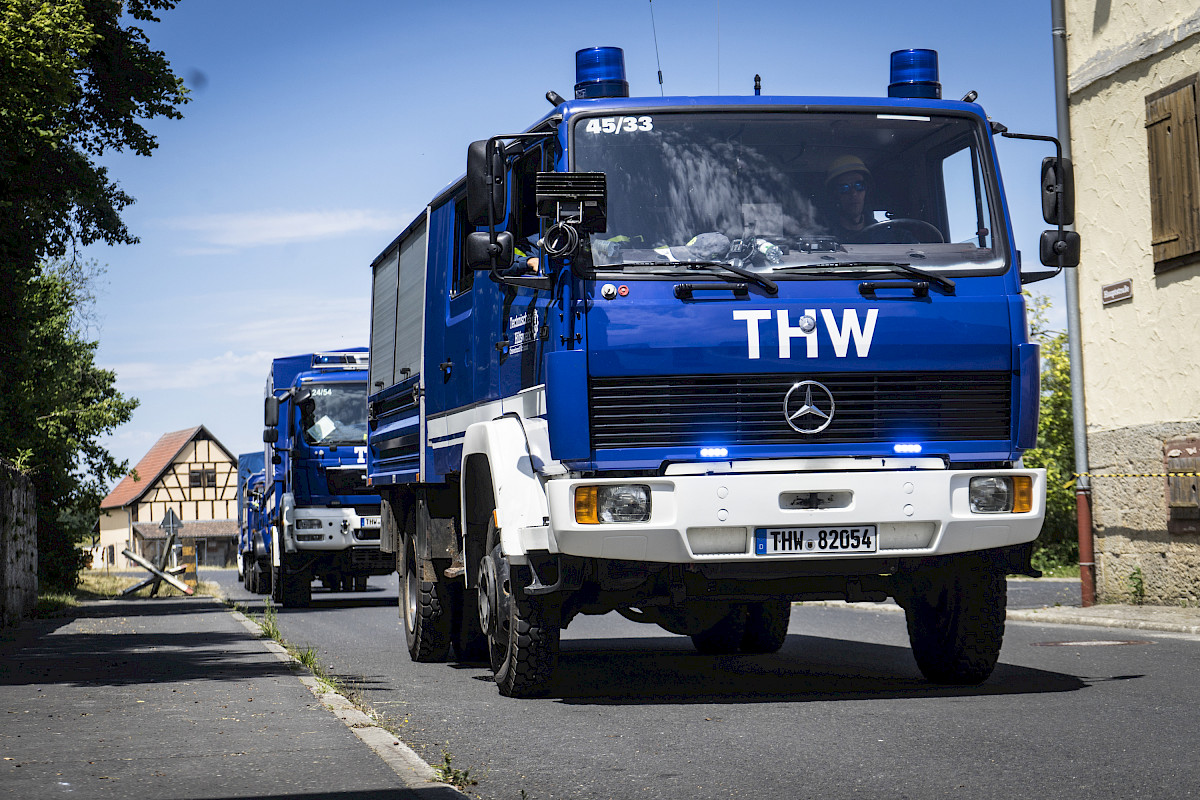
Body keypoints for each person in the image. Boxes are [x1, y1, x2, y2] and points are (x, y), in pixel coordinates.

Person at [823, 155, 876, 243]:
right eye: (844, 188)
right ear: (834, 195)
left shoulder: (885, 234)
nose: (853, 193)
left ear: (867, 191)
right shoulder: (825, 238)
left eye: (859, 186)